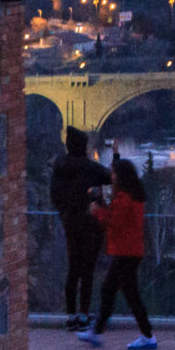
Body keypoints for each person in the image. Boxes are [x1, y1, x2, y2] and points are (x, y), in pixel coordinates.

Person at [77, 157, 157, 350]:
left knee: (123, 292)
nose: (111, 177)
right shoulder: (134, 196)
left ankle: (146, 335)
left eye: (113, 173)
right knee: (115, 291)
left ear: (120, 177)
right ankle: (97, 331)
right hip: (130, 250)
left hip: (125, 251)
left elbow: (114, 221)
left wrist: (97, 211)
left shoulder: (124, 198)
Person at [49, 127, 111, 329]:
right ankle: (84, 315)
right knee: (88, 270)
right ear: (83, 146)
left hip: (69, 222)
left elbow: (55, 196)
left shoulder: (59, 168)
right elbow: (112, 177)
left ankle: (71, 316)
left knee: (73, 269)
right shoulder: (90, 168)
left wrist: (64, 213)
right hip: (90, 222)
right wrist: (116, 155)